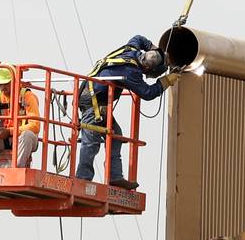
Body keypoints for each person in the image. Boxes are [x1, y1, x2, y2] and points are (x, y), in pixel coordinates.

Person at [76, 35, 180, 190]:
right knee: (91, 142)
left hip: (99, 101)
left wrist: (153, 48)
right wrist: (165, 81)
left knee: (116, 135)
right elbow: (148, 93)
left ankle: (114, 176)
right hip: (93, 102)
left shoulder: (131, 49)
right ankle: (82, 180)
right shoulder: (131, 72)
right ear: (146, 68)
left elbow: (138, 38)